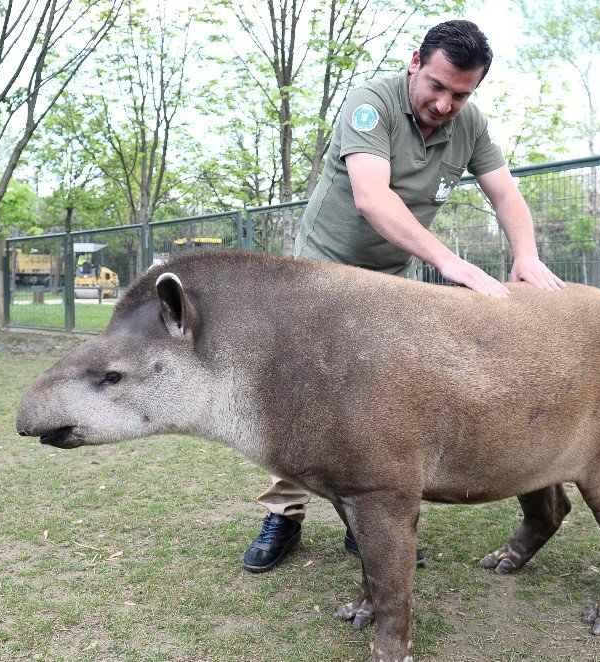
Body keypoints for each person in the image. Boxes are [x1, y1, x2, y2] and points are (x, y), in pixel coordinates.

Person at [242, 19, 566, 573]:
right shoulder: (371, 102)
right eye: (437, 86)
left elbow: (505, 191)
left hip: (391, 279)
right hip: (322, 272)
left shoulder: (470, 125)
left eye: (461, 94)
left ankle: (374, 518)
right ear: (416, 61)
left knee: (387, 401)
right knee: (304, 396)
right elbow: (372, 196)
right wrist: (448, 261)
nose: (444, 104)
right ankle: (285, 512)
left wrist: (526, 253)